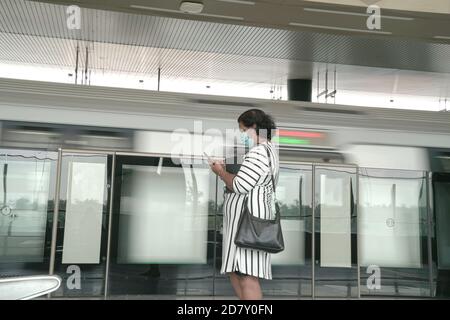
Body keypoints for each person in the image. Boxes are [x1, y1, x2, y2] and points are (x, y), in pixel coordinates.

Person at [209, 109, 279, 300]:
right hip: (243, 223)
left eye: (242, 130)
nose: (240, 134)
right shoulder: (268, 151)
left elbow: (240, 185)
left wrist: (220, 172)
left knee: (247, 275)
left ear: (254, 127)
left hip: (248, 223)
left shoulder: (258, 152)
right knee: (235, 271)